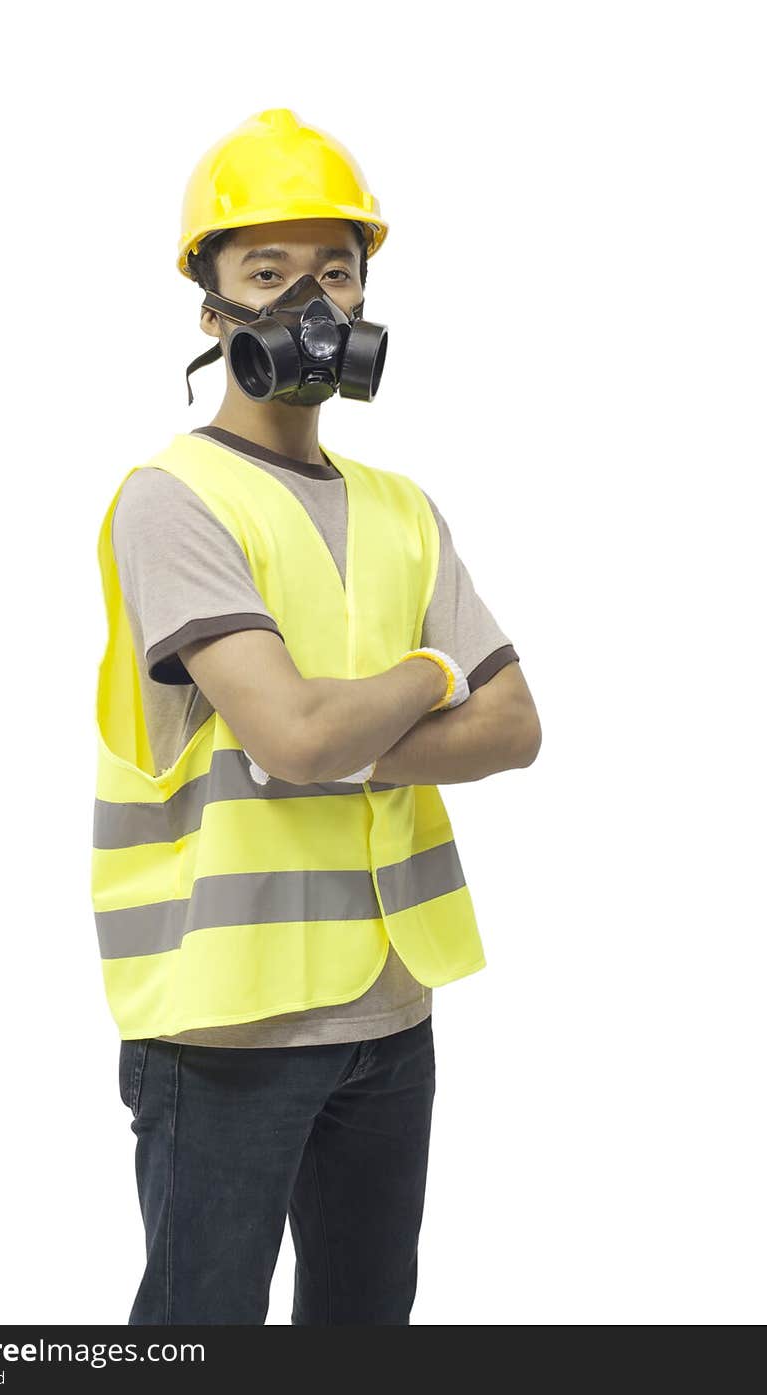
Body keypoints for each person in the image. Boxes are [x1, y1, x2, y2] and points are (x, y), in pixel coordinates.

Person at [93, 108, 541, 1326]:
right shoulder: (172, 501)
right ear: (212, 309)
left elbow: (518, 729)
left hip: (393, 1015)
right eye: (267, 272)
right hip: (226, 1031)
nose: (312, 300)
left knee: (363, 1329)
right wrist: (427, 673)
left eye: (334, 270)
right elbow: (289, 740)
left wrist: (348, 728)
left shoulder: (404, 507)